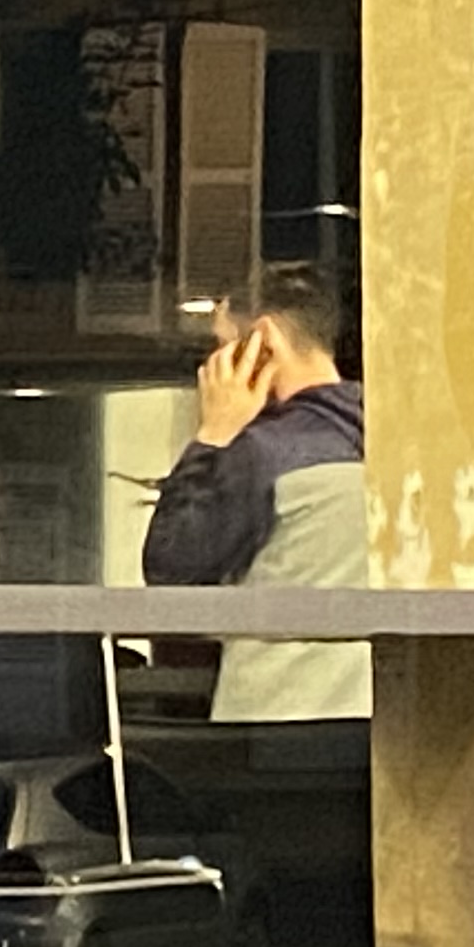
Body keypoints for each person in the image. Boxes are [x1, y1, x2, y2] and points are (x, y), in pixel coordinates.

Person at [141, 261, 368, 721]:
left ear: (262, 342)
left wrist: (213, 434)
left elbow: (171, 570)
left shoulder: (259, 453)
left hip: (273, 717)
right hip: (371, 717)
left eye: (222, 346)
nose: (211, 368)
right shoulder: (387, 440)